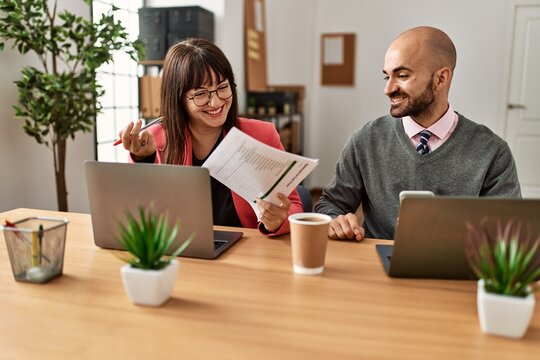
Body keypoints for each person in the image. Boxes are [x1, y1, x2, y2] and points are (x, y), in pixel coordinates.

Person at [314, 26, 521, 241]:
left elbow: (510, 232)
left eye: (402, 75)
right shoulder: (365, 140)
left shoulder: (492, 152)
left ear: (441, 79)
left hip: (454, 267)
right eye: (387, 77)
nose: (388, 89)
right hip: (375, 263)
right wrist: (334, 220)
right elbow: (331, 204)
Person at [120, 38, 303, 236]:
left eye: (223, 87)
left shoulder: (262, 134)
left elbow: (293, 205)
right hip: (183, 251)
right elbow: (138, 210)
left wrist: (278, 221)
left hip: (247, 252)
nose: (216, 102)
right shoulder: (156, 139)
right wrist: (142, 159)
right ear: (178, 98)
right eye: (200, 94)